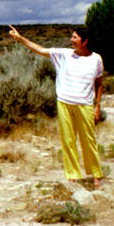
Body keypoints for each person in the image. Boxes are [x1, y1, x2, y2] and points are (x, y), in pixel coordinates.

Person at [9, 25, 104, 188]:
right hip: (65, 102)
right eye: (72, 37)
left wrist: (97, 106)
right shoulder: (64, 55)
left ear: (85, 41)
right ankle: (72, 176)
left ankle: (96, 176)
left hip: (85, 105)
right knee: (68, 141)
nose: (71, 40)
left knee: (89, 140)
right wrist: (21, 39)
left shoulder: (96, 59)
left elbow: (99, 82)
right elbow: (40, 50)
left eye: (75, 37)